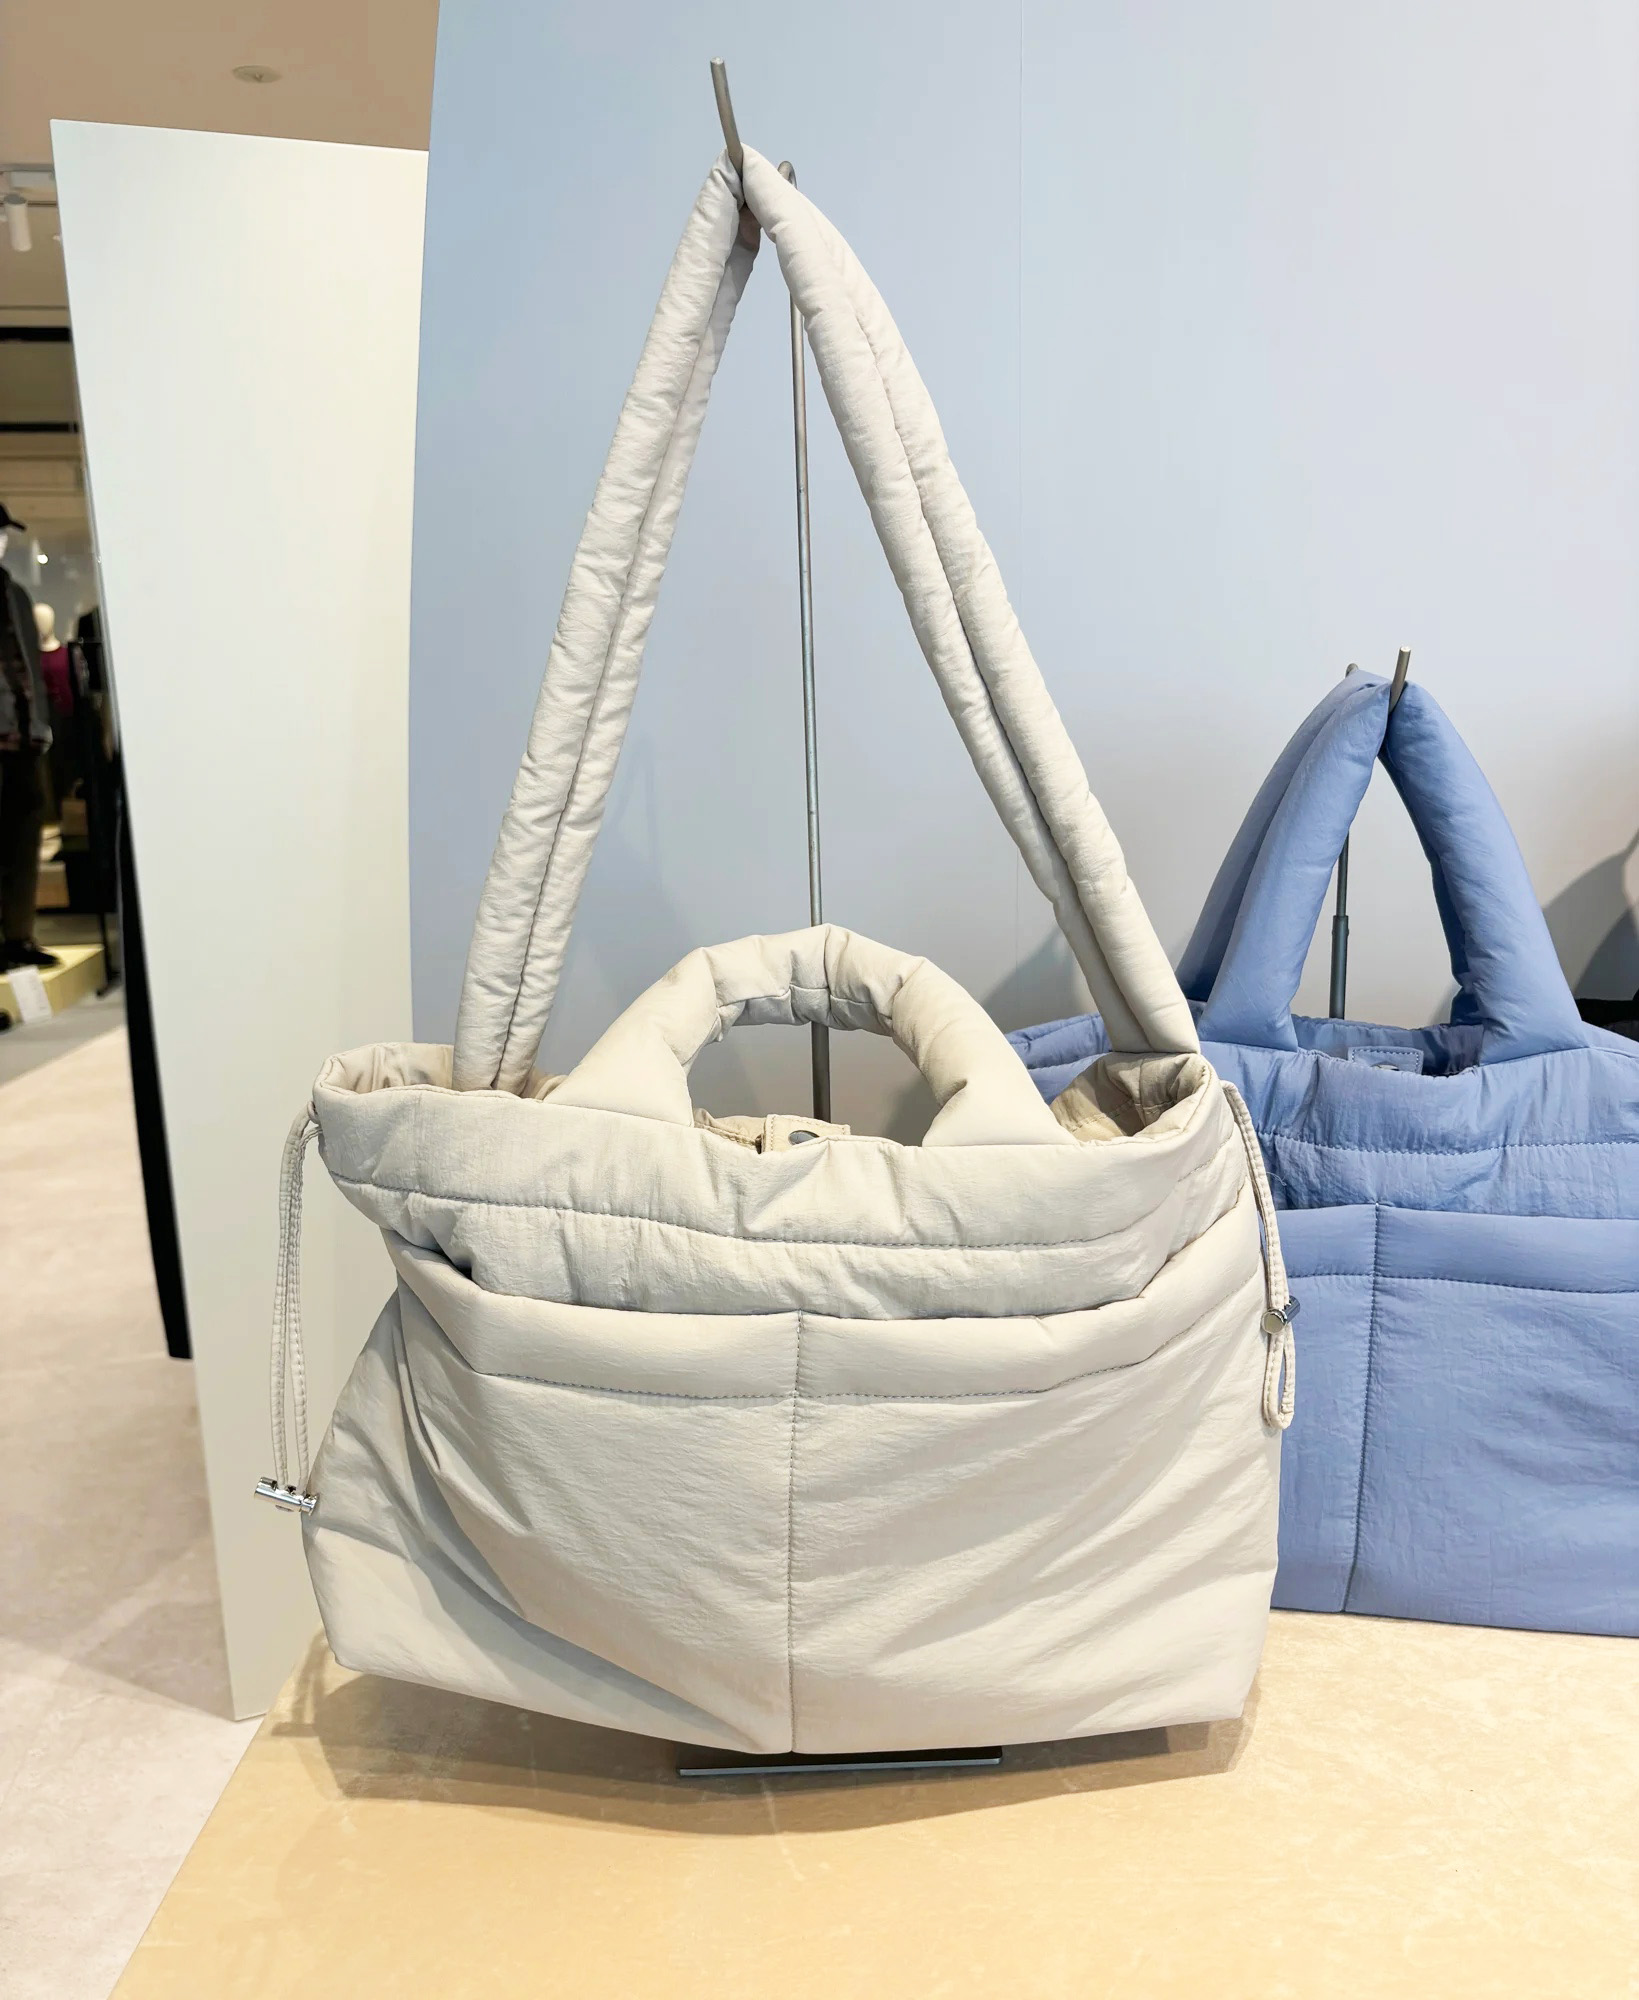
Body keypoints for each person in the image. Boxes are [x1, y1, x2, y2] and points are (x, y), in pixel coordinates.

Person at [0, 501, 59, 971]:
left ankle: (18, 936)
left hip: (25, 740)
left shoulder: (16, 595)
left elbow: (30, 667)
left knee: (24, 840)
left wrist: (38, 723)